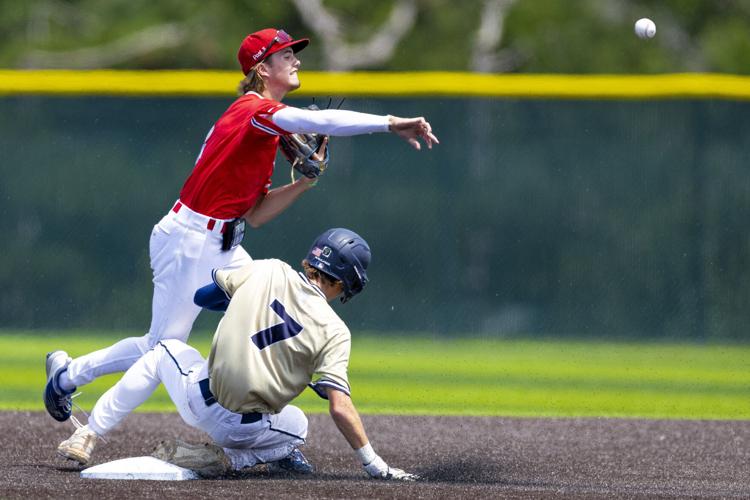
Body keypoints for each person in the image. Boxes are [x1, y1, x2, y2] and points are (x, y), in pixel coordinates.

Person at [43, 28, 439, 423]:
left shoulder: (261, 133)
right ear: (262, 68)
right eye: (286, 55)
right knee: (161, 346)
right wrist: (391, 123)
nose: (296, 60)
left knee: (273, 309)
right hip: (190, 240)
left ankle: (264, 427)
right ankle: (68, 379)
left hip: (224, 243)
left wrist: (305, 182)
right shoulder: (254, 111)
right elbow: (327, 121)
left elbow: (256, 214)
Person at [56, 228, 418, 481]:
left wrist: (242, 303)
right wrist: (373, 464)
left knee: (162, 349)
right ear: (345, 281)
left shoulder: (269, 268)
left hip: (197, 398)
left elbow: (203, 297)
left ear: (313, 259)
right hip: (243, 430)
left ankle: (89, 433)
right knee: (297, 427)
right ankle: (231, 459)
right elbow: (339, 406)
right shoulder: (337, 332)